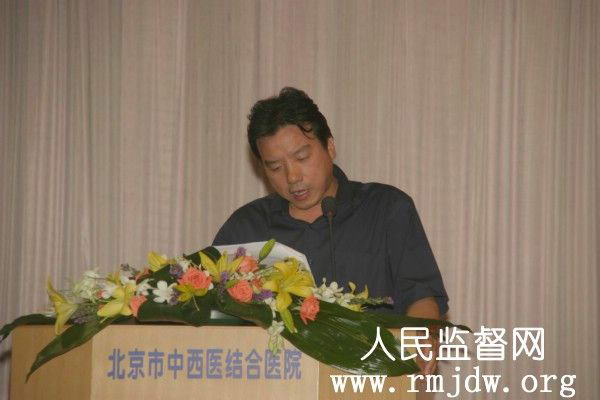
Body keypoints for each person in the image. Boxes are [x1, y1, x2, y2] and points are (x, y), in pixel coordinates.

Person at [213, 87, 448, 374]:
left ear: (330, 146)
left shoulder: (387, 209)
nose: (292, 177)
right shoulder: (246, 227)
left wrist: (421, 340)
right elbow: (212, 309)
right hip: (275, 382)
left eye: (302, 157)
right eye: (275, 167)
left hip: (373, 381)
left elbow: (422, 296)